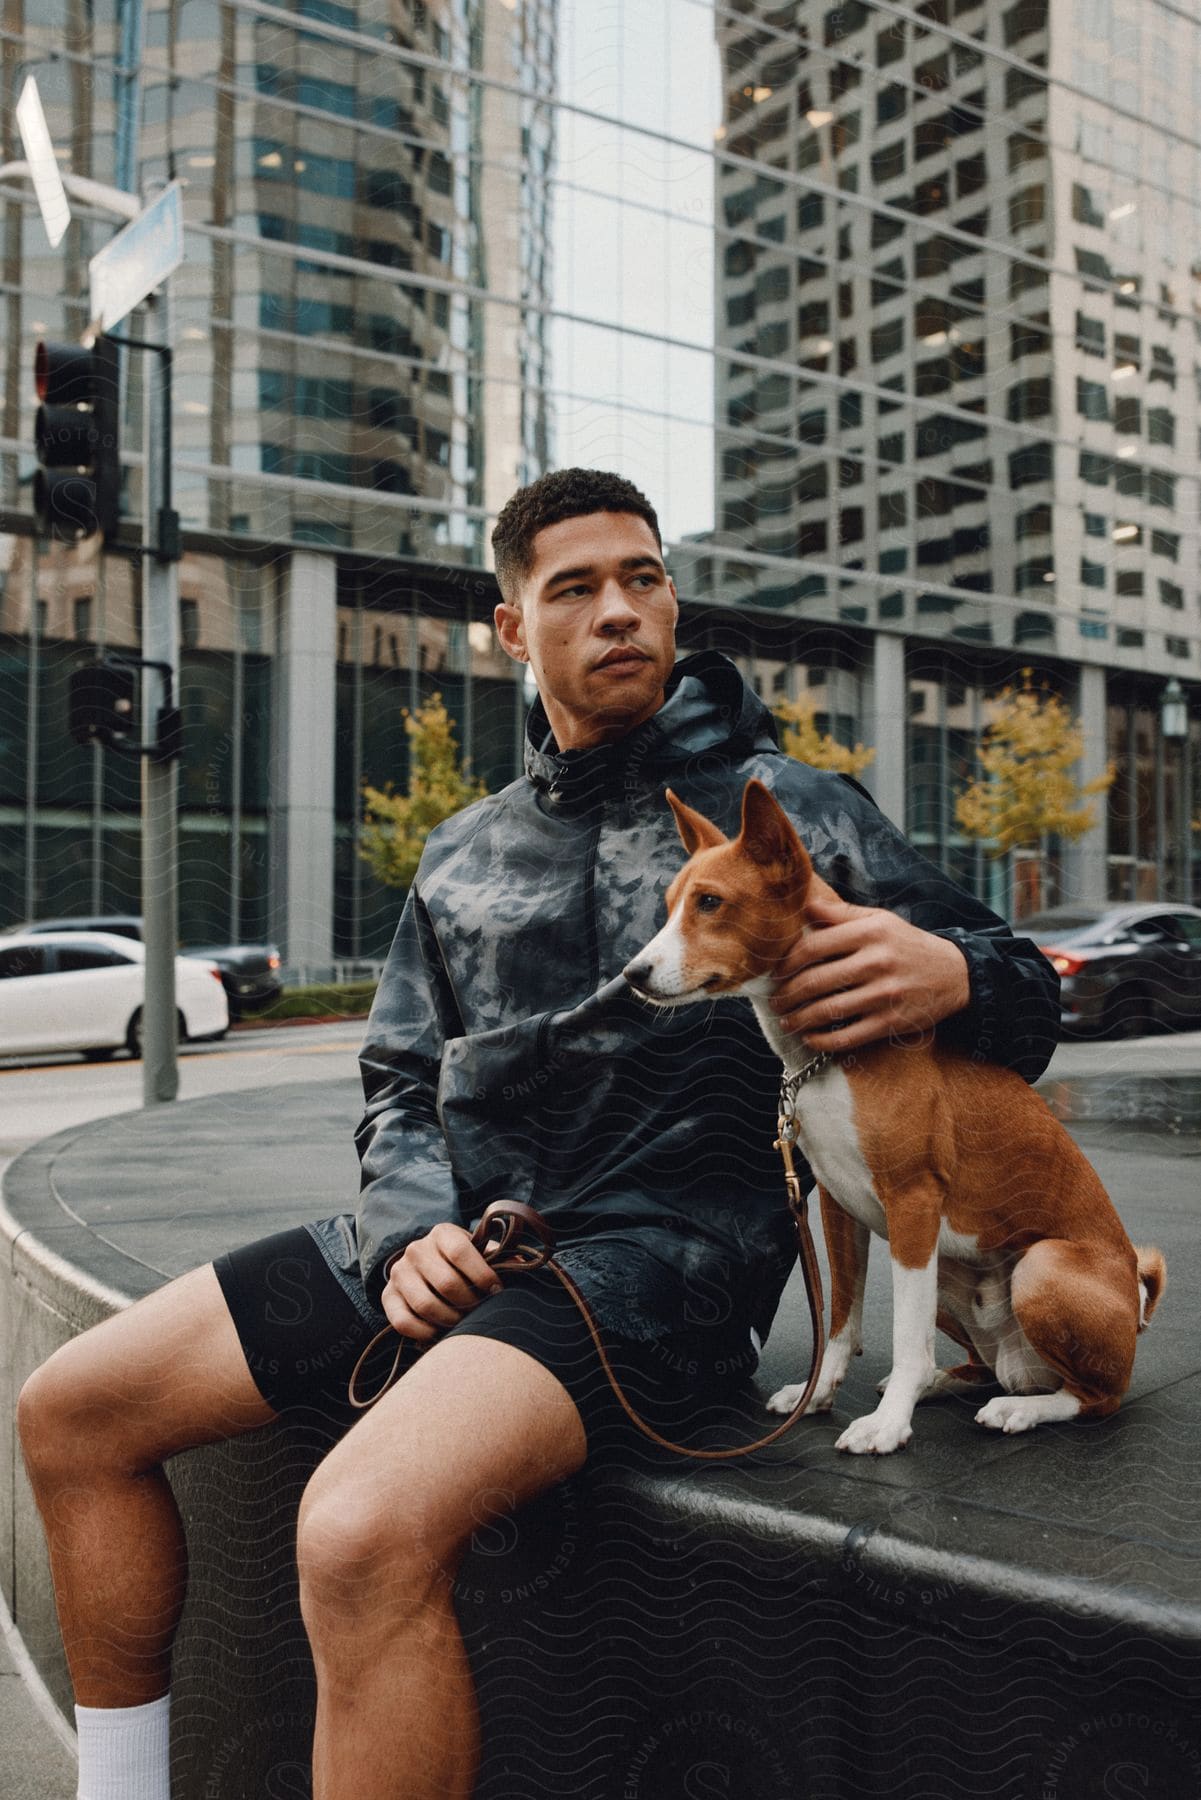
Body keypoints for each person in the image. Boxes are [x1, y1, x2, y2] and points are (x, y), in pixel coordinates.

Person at [17, 467, 1059, 1800]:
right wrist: (409, 1234)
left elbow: (1012, 983)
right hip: (459, 1233)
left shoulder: (790, 813)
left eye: (643, 578)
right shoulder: (461, 850)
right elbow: (399, 1077)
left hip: (661, 1268)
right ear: (512, 630)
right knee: (71, 1411)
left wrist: (961, 976)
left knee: (354, 1528)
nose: (619, 610)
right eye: (575, 588)